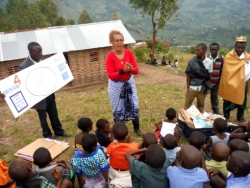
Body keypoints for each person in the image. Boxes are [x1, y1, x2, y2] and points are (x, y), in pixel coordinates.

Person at [18, 42, 70, 138]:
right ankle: (47, 135)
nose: (41, 53)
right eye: (38, 52)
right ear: (31, 52)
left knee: (54, 113)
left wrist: (63, 64)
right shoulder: (24, 66)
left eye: (41, 50)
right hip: (38, 97)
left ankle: (59, 131)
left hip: (49, 93)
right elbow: (22, 85)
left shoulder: (42, 60)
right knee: (43, 117)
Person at [105, 30, 142, 136]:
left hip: (129, 82)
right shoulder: (110, 57)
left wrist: (130, 69)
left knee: (134, 103)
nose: (120, 43)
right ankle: (120, 131)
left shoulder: (129, 53)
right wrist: (123, 70)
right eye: (117, 41)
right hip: (116, 85)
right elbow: (111, 75)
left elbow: (136, 70)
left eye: (121, 40)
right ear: (112, 42)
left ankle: (136, 128)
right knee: (118, 107)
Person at [218, 36, 250, 122]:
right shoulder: (229, 56)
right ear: (235, 47)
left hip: (243, 83)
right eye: (238, 47)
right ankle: (226, 116)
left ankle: (240, 116)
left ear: (245, 48)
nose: (240, 49)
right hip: (230, 82)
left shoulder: (247, 57)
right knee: (228, 99)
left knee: (242, 100)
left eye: (242, 48)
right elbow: (227, 71)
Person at [105, 122, 139, 187]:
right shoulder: (134, 146)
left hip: (114, 171)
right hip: (128, 171)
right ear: (127, 134)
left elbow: (106, 154)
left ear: (114, 136)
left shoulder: (111, 146)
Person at [184, 43, 213, 112]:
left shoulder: (210, 62)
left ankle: (198, 120)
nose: (196, 51)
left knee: (200, 106)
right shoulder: (192, 61)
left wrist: (206, 85)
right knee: (187, 105)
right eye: (196, 50)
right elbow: (188, 74)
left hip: (202, 88)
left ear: (204, 50)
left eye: (198, 50)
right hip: (192, 87)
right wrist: (188, 87)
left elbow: (209, 75)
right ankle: (185, 119)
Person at [207, 43, 224, 115]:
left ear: (218, 49)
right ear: (210, 49)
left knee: (214, 97)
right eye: (211, 49)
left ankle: (215, 109)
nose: (213, 51)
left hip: (216, 82)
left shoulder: (222, 59)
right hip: (207, 82)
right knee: (201, 96)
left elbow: (222, 71)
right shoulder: (206, 58)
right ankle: (200, 108)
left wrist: (219, 83)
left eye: (215, 49)